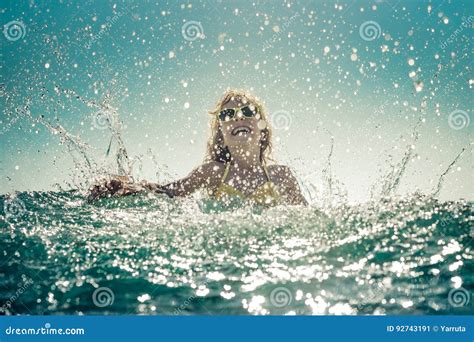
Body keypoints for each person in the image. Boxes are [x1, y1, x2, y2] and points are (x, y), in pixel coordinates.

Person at [88, 89, 307, 206]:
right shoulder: (213, 172)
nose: (238, 117)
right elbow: (167, 192)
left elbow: (309, 219)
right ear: (221, 133)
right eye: (227, 114)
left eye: (248, 111)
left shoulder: (281, 176)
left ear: (263, 128)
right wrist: (121, 188)